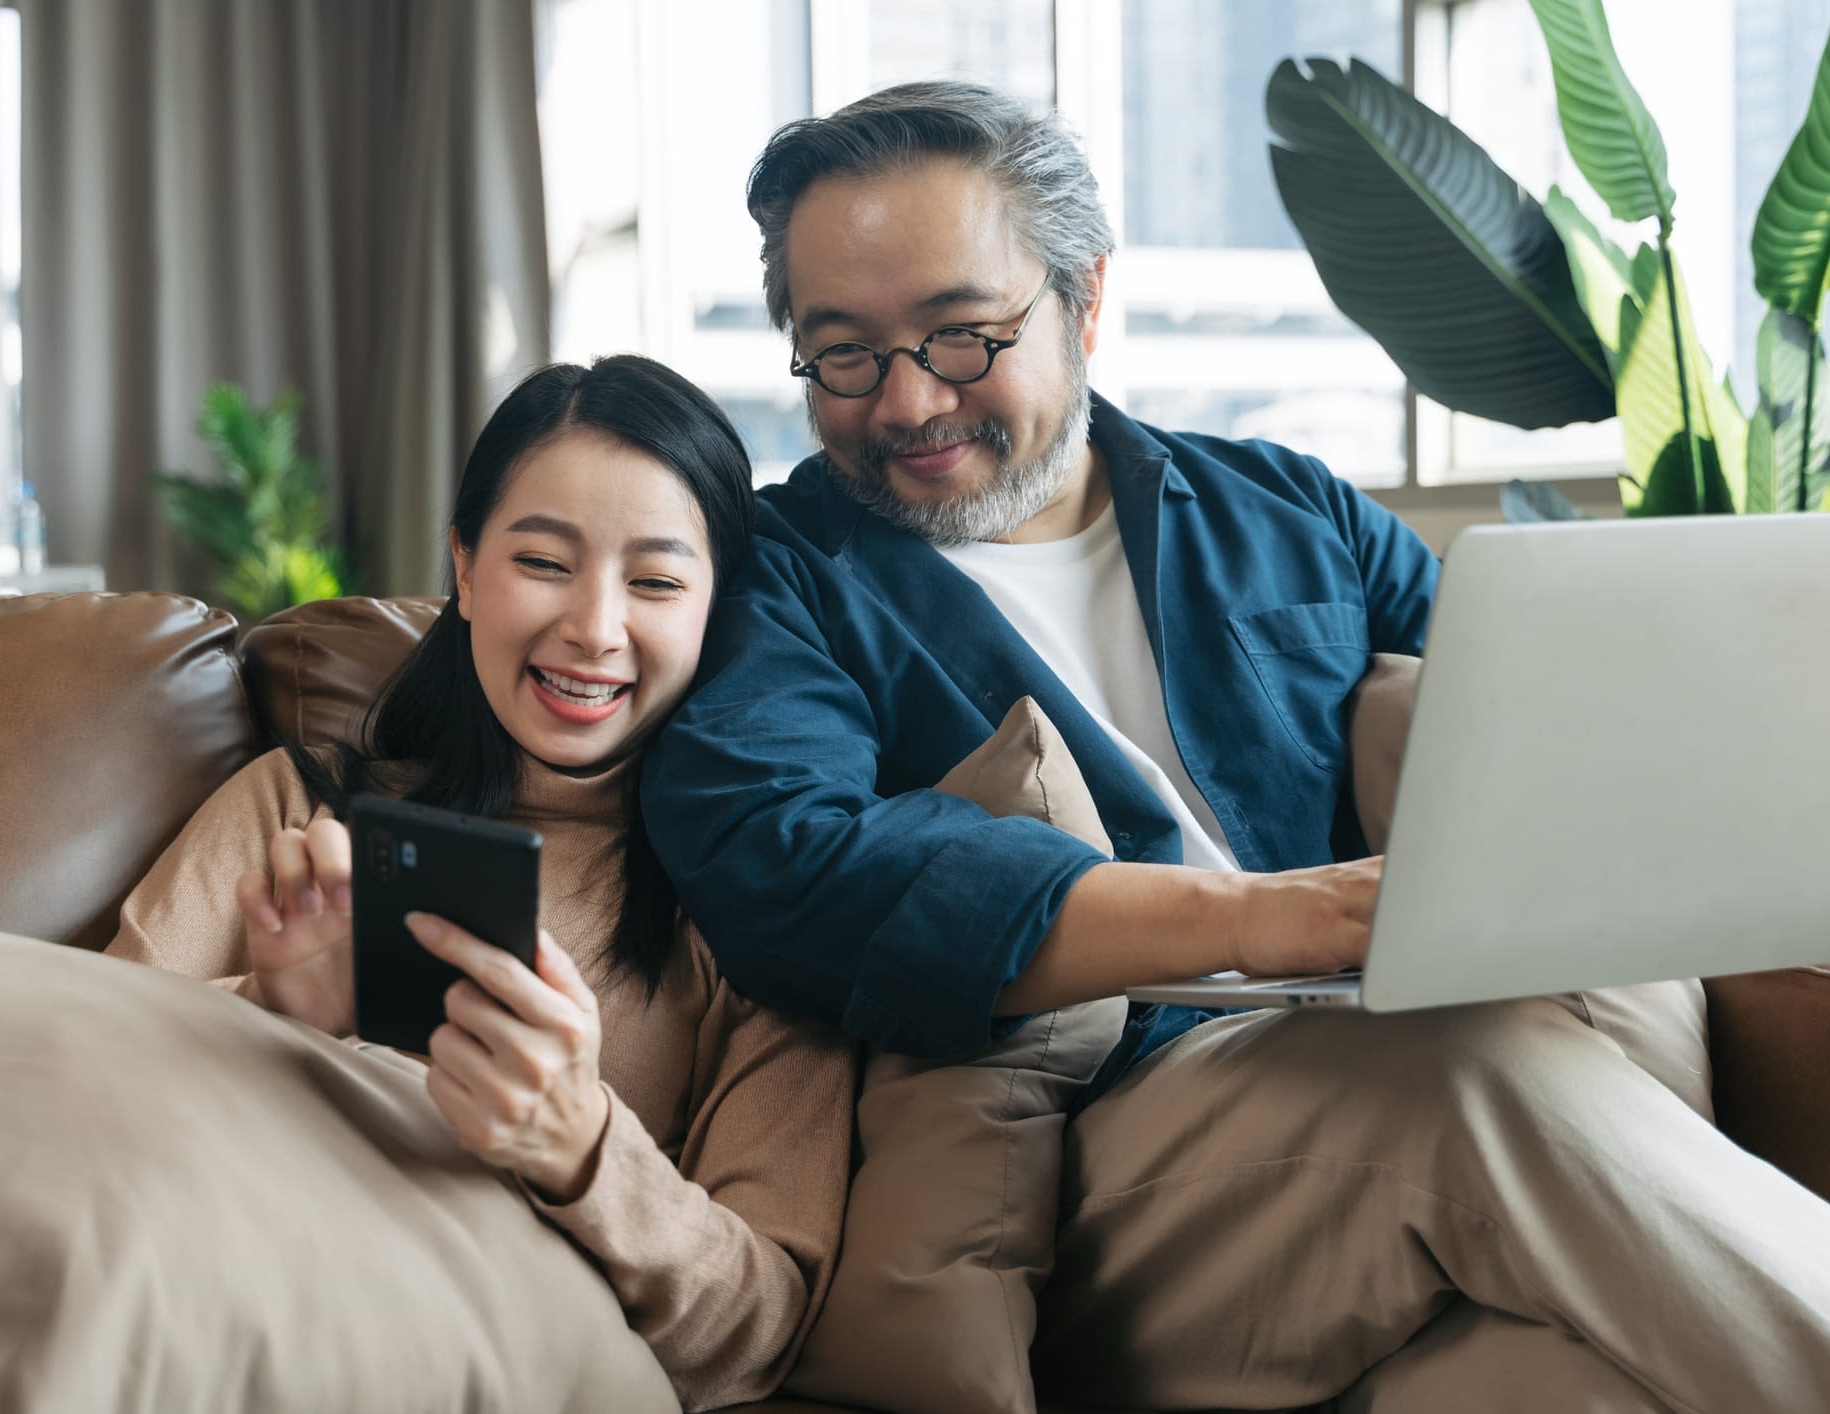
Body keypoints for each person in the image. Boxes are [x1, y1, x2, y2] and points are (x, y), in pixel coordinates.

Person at [640, 80, 1830, 1410]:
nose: (909, 399)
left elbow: (1538, 726)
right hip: (1109, 1172)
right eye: (844, 354)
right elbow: (788, 864)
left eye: (962, 336)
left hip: (1422, 1141)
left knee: (1567, 1376)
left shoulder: (1285, 509)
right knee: (1465, 1075)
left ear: (1085, 299)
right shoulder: (774, 585)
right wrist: (1259, 919)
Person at [106, 355, 858, 1413]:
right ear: (463, 569)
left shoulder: (765, 897)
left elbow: (755, 1329)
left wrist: (581, 1145)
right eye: (543, 562)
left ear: (715, 610)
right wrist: (274, 1015)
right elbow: (74, 1090)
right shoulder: (299, 810)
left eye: (654, 582)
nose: (594, 628)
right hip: (217, 1324)